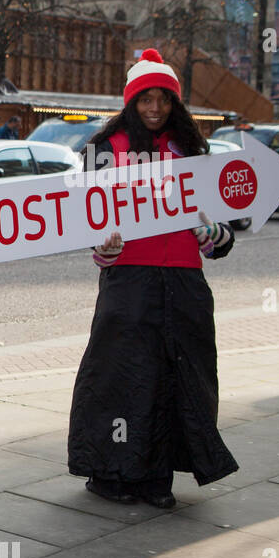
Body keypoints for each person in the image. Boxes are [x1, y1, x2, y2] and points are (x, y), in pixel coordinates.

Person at [68, 48, 237, 507]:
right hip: (130, 281)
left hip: (183, 282)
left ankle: (155, 479)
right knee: (122, 376)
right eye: (146, 100)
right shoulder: (105, 150)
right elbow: (88, 224)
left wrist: (211, 234)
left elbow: (222, 236)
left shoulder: (194, 151)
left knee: (173, 380)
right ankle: (111, 473)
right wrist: (103, 249)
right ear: (131, 102)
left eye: (164, 99)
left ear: (176, 103)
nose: (156, 109)